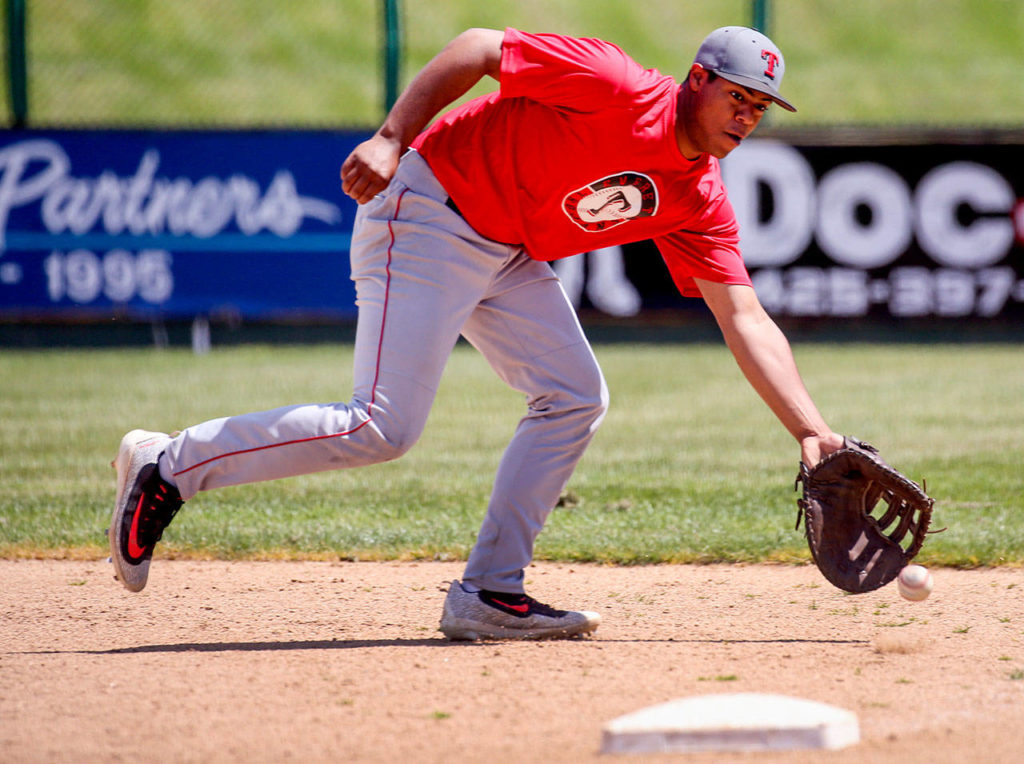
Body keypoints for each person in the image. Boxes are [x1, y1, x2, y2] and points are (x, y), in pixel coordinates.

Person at [109, 26, 844, 640]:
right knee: (381, 426)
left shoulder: (698, 196)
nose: (747, 117)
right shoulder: (616, 83)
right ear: (697, 80)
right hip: (428, 209)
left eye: (759, 108)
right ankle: (168, 465)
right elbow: (479, 48)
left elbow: (743, 315)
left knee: (573, 396)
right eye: (738, 97)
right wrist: (393, 136)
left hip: (505, 251)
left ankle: (489, 593)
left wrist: (811, 431)